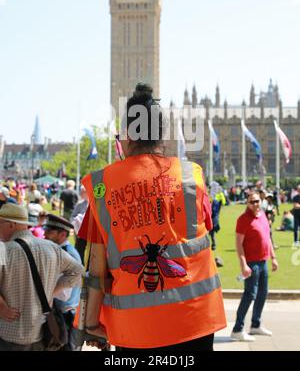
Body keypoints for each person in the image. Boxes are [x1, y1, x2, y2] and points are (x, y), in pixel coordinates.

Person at [77, 83, 226, 352]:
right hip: (196, 321)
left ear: (127, 137)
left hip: (135, 329)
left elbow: (97, 269)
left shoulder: (102, 187)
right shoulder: (191, 176)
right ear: (163, 137)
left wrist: (90, 323)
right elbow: (204, 230)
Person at [0, 203, 84, 351]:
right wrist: (52, 291)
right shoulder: (51, 247)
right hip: (42, 332)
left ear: (11, 225)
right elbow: (78, 270)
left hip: (11, 333)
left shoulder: (4, 250)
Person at [231, 192, 279, 342]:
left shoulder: (263, 215)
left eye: (257, 201)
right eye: (252, 202)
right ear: (247, 203)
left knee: (263, 293)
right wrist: (243, 264)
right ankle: (237, 329)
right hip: (251, 263)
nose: (255, 204)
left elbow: (268, 237)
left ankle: (255, 325)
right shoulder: (243, 220)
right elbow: (239, 244)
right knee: (250, 294)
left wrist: (273, 257)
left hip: (263, 261)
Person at [43, 214, 81, 351]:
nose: (44, 234)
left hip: (65, 314)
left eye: (50, 231)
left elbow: (64, 292)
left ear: (63, 234)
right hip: (61, 311)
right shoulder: (60, 251)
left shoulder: (67, 254)